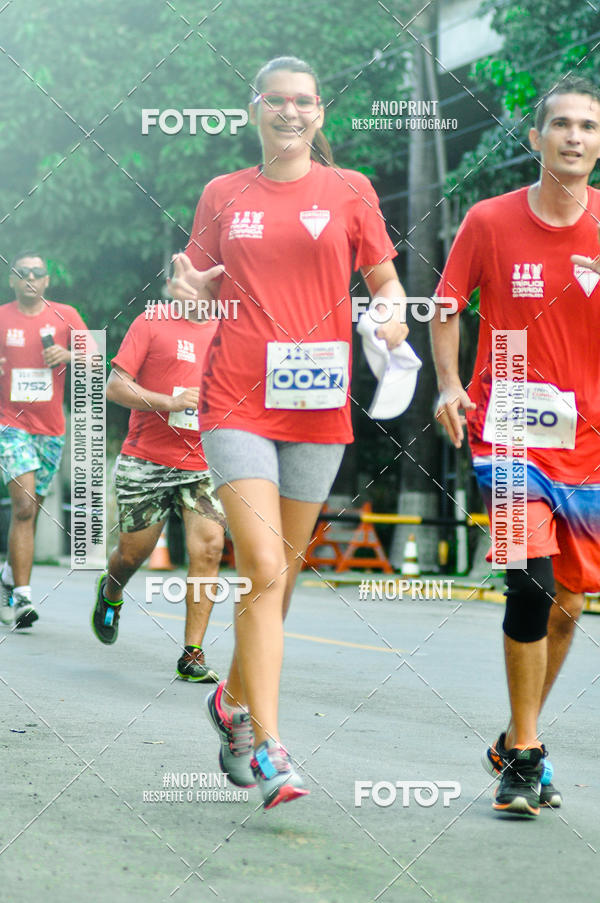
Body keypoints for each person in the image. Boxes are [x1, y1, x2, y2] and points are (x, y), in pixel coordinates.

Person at [169, 56, 408, 809]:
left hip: (319, 405)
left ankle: (232, 700)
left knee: (284, 576)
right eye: (277, 101)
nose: (291, 112)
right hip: (235, 398)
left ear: (320, 114)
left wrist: (395, 308)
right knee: (263, 564)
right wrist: (185, 288)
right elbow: (191, 285)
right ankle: (271, 748)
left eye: (304, 101)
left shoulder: (351, 192)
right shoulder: (223, 193)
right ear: (255, 110)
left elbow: (385, 281)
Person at [431, 75, 600, 816]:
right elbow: (445, 304)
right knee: (528, 583)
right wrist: (446, 383)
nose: (574, 137)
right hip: (506, 431)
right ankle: (526, 758)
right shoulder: (490, 221)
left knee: (567, 599)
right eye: (560, 124)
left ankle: (513, 736)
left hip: (589, 444)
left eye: (588, 126)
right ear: (534, 139)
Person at [91, 302, 225, 682]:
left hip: (204, 462)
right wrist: (169, 402)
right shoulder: (153, 320)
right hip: (147, 459)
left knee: (210, 548)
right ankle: (111, 590)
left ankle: (192, 653)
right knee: (133, 554)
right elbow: (114, 386)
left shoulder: (229, 327)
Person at [0, 251, 88, 628]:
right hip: (8, 424)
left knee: (30, 509)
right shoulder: (2, 317)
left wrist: (69, 353)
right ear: (12, 280)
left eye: (37, 272)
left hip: (50, 427)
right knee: (23, 506)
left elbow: (98, 358)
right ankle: (22, 598)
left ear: (47, 280)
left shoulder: (65, 316)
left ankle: (8, 574)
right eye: (22, 273)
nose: (30, 278)